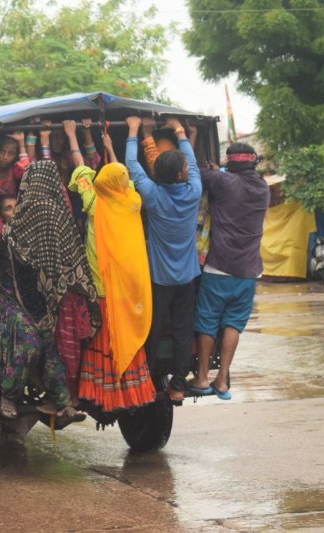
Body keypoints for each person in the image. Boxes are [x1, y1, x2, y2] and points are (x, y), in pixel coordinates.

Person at [0, 160, 101, 418]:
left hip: (43, 298)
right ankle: (9, 395)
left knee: (50, 345)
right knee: (30, 341)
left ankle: (63, 401)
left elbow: (13, 238)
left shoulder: (34, 217)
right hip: (15, 296)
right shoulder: (57, 213)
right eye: (8, 208)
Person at [68, 132, 157, 413]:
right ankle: (132, 391)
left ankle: (103, 392)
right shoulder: (133, 201)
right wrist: (109, 147)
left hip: (102, 287)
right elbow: (124, 178)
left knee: (105, 339)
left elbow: (81, 169)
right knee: (126, 337)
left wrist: (72, 135)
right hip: (128, 289)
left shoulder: (95, 203)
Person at [126, 116, 202, 403]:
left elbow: (131, 164)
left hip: (158, 279)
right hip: (187, 277)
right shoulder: (193, 192)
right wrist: (180, 132)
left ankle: (145, 382)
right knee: (183, 331)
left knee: (152, 329)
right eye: (185, 168)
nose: (188, 168)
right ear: (182, 174)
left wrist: (133, 129)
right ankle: (178, 386)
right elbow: (192, 162)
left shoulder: (152, 195)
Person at [191, 142, 270, 400]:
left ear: (231, 164)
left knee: (207, 322)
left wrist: (215, 171)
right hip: (248, 273)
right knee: (233, 325)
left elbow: (193, 171)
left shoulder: (224, 182)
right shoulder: (262, 188)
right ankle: (222, 380)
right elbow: (232, 182)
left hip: (219, 269)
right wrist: (221, 172)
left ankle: (202, 378)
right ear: (253, 162)